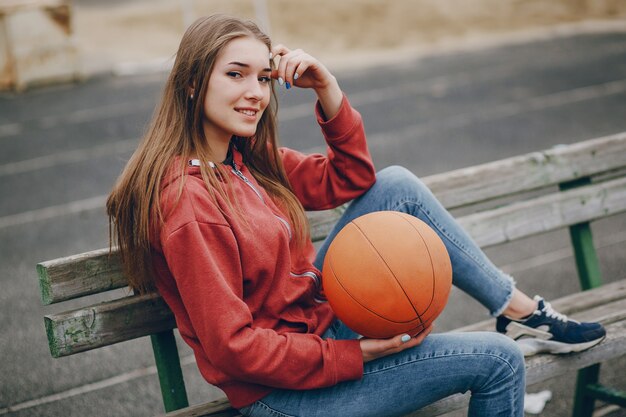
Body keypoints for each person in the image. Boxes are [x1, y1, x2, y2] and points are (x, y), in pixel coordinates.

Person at [106, 14, 605, 417]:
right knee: (500, 362)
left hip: (316, 335)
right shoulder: (189, 204)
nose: (256, 92)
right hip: (280, 397)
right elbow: (233, 348)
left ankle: (516, 310)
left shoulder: (245, 160)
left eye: (263, 77)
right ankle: (516, 325)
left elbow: (353, 181)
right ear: (192, 83)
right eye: (235, 75)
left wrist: (327, 88)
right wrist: (354, 354)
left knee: (396, 185)